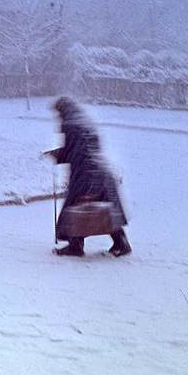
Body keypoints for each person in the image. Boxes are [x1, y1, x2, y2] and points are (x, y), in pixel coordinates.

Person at [46, 96, 132, 257]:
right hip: (101, 172)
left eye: (58, 113)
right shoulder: (85, 123)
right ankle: (121, 242)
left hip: (86, 174)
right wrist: (59, 153)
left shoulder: (70, 124)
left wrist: (57, 155)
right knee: (107, 210)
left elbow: (75, 153)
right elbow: (79, 149)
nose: (58, 116)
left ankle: (75, 246)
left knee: (74, 209)